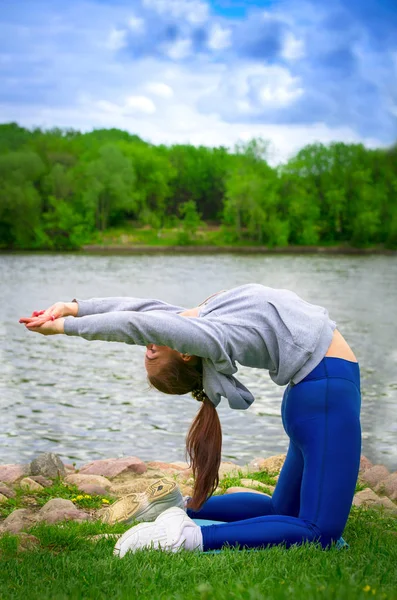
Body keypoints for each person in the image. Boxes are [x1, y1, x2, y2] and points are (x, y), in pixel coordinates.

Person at [19, 284, 361, 557]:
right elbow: (139, 324)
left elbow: (140, 309)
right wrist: (65, 327)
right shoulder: (207, 337)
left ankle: (178, 508)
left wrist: (73, 308)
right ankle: (187, 537)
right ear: (185, 350)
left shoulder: (202, 321)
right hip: (325, 394)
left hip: (313, 395)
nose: (148, 346)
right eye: (152, 350)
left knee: (281, 509)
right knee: (320, 531)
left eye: (149, 350)